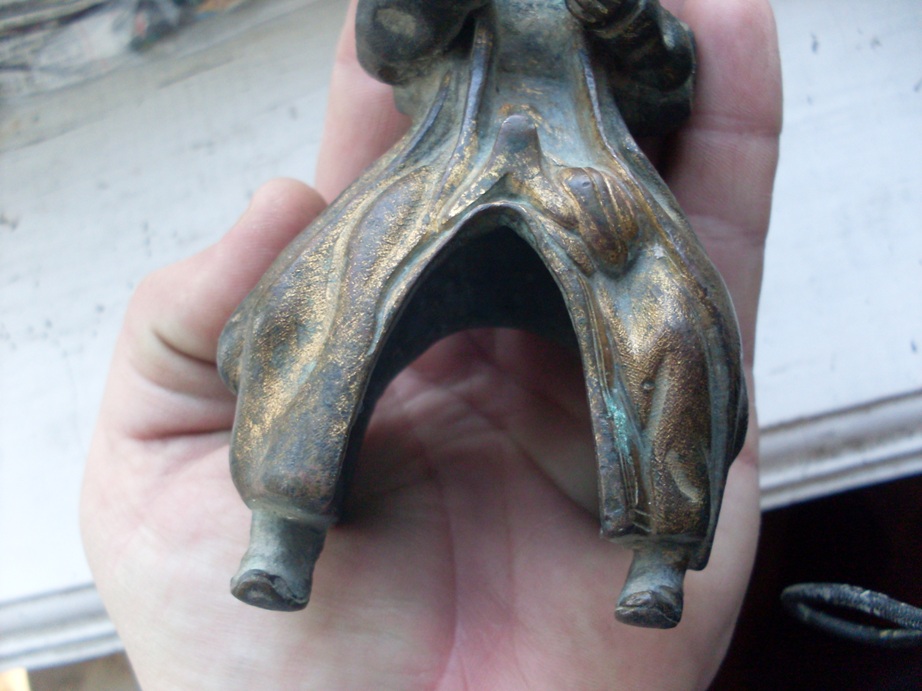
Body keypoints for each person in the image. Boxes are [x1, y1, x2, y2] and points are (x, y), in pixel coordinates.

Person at [81, 0, 781, 686]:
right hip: (442, 171)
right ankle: (282, 530)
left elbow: (667, 84)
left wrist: (623, 20)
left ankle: (661, 555)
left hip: (588, 182)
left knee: (672, 322)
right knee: (327, 293)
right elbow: (387, 46)